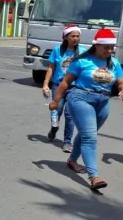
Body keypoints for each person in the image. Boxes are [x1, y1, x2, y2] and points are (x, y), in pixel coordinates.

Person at [50, 28, 123, 190]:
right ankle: (94, 176)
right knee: (90, 138)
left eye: (112, 47)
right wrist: (56, 100)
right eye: (106, 47)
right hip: (80, 98)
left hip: (102, 102)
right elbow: (65, 83)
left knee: (86, 134)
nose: (110, 50)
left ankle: (72, 160)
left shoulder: (113, 63)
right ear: (96, 45)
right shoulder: (82, 61)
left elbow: (122, 81)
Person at [42, 25, 86, 153]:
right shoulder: (57, 50)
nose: (75, 39)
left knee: (70, 114)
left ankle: (67, 141)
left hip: (74, 87)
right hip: (58, 85)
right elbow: (51, 67)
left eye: (77, 36)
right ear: (66, 37)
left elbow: (85, 70)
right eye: (72, 36)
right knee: (57, 109)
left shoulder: (82, 52)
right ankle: (54, 128)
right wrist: (45, 84)